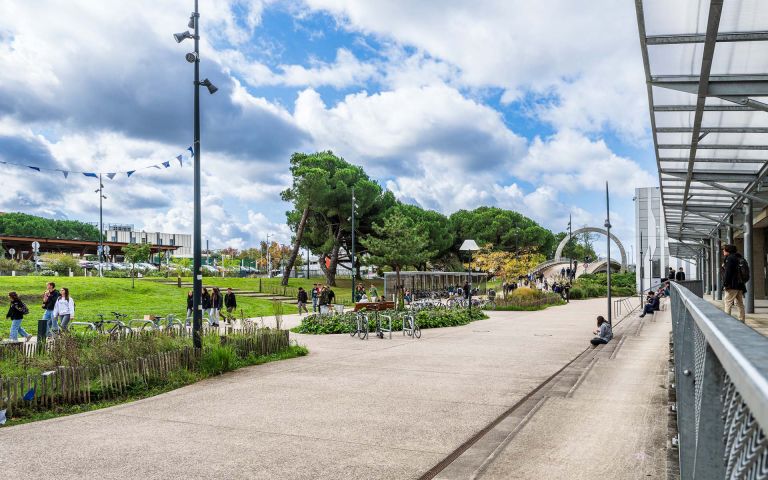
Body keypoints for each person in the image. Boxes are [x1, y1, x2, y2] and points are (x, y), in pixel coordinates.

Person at [722, 244, 748, 323]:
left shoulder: (729, 258)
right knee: (740, 303)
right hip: (740, 285)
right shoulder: (739, 257)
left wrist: (725, 284)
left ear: (728, 250)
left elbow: (728, 273)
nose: (723, 251)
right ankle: (742, 320)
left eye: (724, 249)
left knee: (728, 302)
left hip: (732, 285)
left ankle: (727, 322)